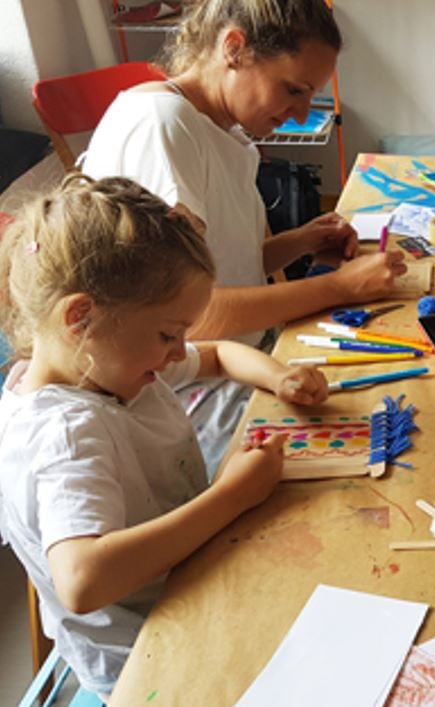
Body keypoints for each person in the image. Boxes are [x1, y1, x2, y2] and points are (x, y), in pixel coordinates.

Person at [0, 174, 331, 699]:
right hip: (152, 660)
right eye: (167, 334)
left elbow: (219, 354)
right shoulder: (65, 432)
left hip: (190, 582)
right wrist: (233, 495)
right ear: (81, 318)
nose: (178, 351)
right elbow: (82, 580)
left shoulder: (102, 363)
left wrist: (279, 377)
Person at [80, 0, 406, 472]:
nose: (300, 114)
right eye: (292, 90)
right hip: (174, 388)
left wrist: (302, 241)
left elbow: (221, 264)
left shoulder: (220, 130)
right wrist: (339, 287)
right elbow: (195, 318)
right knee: (368, 442)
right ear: (234, 48)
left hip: (229, 358)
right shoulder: (163, 128)